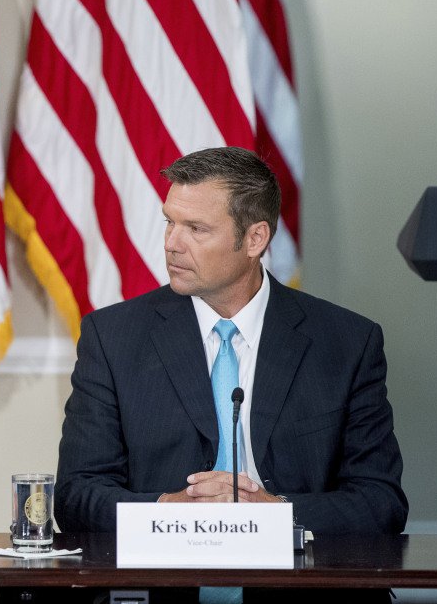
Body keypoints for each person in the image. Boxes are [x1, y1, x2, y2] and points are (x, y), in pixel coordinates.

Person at [55, 147, 407, 602]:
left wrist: (276, 514)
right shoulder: (113, 336)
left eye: (196, 229)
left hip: (304, 594)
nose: (171, 243)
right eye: (169, 221)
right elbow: (77, 495)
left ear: (255, 238)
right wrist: (167, 511)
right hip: (160, 593)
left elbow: (381, 502)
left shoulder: (346, 342)